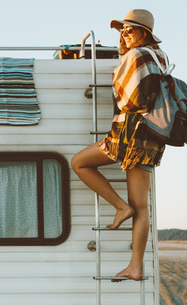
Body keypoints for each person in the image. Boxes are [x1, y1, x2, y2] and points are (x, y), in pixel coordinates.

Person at [71, 9, 167, 281]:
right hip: (152, 136)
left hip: (130, 133)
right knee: (142, 206)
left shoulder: (136, 56)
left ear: (144, 33)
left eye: (130, 30)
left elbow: (126, 95)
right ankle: (135, 266)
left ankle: (119, 207)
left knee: (78, 162)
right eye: (122, 30)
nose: (124, 34)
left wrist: (120, 60)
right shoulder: (160, 58)